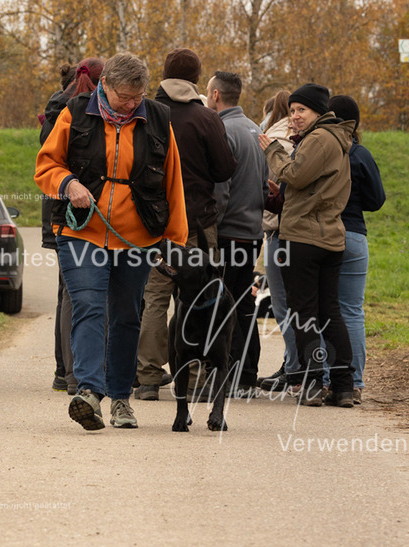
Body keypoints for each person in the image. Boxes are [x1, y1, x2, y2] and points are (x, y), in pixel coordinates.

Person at [35, 52, 189, 430]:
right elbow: (45, 166)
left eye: (137, 97)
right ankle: (89, 392)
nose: (131, 104)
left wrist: (175, 242)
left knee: (126, 316)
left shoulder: (157, 119)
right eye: (124, 97)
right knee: (88, 305)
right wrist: (68, 184)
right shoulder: (74, 113)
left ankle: (121, 399)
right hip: (82, 231)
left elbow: (173, 183)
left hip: (137, 237)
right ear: (105, 86)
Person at [134, 48, 237, 401]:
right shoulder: (206, 118)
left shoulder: (144, 112)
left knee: (154, 298)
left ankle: (147, 376)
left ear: (162, 74)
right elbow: (225, 169)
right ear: (196, 79)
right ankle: (191, 377)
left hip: (152, 224)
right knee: (198, 298)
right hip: (196, 223)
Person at [258, 83, 356, 407]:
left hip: (305, 238)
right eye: (293, 110)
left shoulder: (319, 138)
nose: (295, 116)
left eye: (302, 110)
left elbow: (296, 175)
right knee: (330, 312)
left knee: (304, 314)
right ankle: (342, 385)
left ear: (318, 112)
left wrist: (273, 149)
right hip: (330, 236)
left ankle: (312, 383)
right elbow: (309, 185)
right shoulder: (338, 138)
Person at [205, 70, 269, 397]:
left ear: (216, 95)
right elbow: (264, 185)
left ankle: (235, 374)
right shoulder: (255, 129)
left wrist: (210, 228)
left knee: (225, 304)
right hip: (252, 231)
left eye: (207, 93)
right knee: (244, 302)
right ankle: (248, 373)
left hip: (228, 232)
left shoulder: (223, 130)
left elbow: (221, 189)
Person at [41, 58, 103, 397]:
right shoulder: (76, 110)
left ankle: (62, 370)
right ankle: (74, 373)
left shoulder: (55, 105)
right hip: (72, 211)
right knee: (76, 296)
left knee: (66, 293)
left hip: (55, 208)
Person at [326, 95, 385, 404]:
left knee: (325, 310)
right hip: (355, 237)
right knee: (351, 311)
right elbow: (377, 201)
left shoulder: (320, 150)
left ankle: (328, 379)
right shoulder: (361, 154)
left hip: (323, 235)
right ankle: (356, 382)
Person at [256, 89, 301, 393]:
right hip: (302, 231)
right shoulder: (299, 141)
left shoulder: (270, 140)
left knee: (284, 304)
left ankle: (296, 369)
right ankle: (295, 365)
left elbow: (276, 189)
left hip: (279, 230)